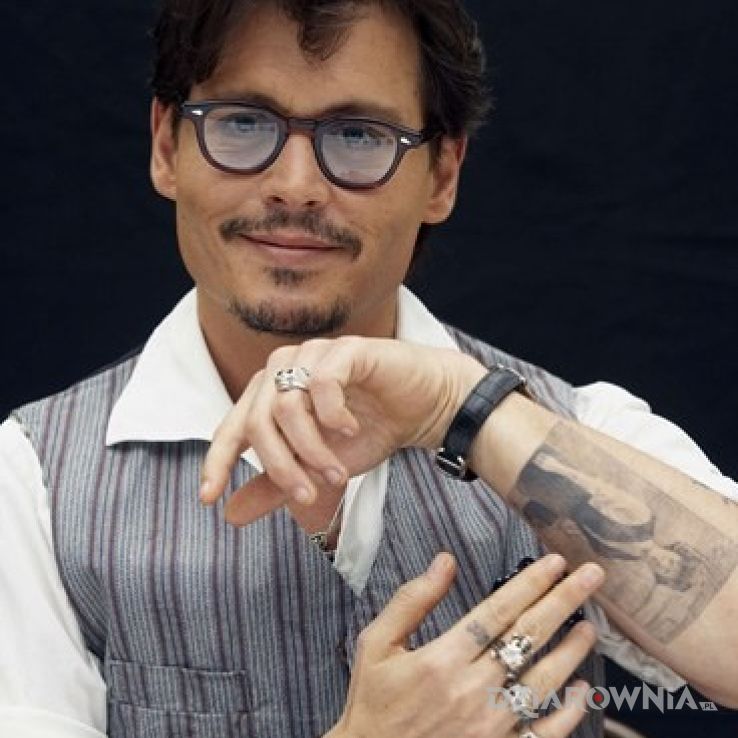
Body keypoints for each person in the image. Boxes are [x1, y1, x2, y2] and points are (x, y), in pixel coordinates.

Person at [1, 1, 737, 737]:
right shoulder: (31, 480)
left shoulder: (575, 425)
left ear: (442, 174)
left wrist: (463, 407)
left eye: (358, 135)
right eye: (242, 122)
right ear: (166, 146)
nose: (296, 185)